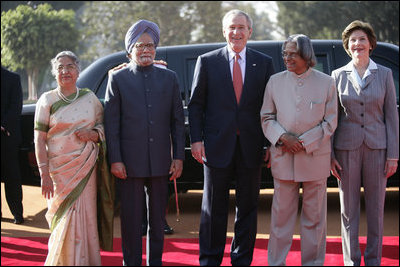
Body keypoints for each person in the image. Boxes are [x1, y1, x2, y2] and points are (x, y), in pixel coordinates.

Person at [188, 9, 274, 266]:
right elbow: (195, 105)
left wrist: (269, 142)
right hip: (216, 146)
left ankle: (241, 259)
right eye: (231, 28)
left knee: (247, 209)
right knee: (213, 209)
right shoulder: (207, 61)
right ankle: (210, 259)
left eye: (241, 27)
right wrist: (196, 140)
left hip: (251, 146)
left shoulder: (264, 62)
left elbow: (270, 107)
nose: (236, 32)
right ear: (224, 31)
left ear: (250, 32)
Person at [104, 20, 185, 266]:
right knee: (130, 221)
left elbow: (177, 122)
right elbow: (112, 125)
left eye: (150, 45)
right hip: (128, 164)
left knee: (157, 221)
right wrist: (115, 159)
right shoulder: (117, 80)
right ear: (130, 50)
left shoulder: (169, 78)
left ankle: (155, 262)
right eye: (140, 45)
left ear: (156, 48)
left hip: (162, 162)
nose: (146, 50)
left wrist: (178, 157)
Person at [260, 34, 337, 266]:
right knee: (280, 219)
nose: (287, 58)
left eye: (292, 53)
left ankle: (313, 262)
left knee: (315, 219)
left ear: (306, 54)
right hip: (284, 157)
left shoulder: (326, 82)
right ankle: (276, 262)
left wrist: (303, 142)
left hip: (315, 158)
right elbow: (266, 117)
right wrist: (283, 137)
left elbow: (331, 121)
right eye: (285, 53)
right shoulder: (274, 81)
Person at [34, 51, 114, 265]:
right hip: (59, 171)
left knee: (85, 216)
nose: (65, 71)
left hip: (86, 168)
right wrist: (44, 174)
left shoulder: (90, 99)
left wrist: (94, 135)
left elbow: (104, 127)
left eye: (69, 66)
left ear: (78, 70)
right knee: (63, 217)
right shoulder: (47, 100)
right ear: (54, 73)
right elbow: (39, 139)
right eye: (60, 67)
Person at [330, 20, 399, 266]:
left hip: (378, 150)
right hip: (346, 150)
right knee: (348, 211)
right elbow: (332, 118)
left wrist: (393, 155)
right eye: (352, 41)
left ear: (371, 44)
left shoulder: (385, 74)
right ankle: (351, 260)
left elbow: (391, 117)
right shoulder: (337, 76)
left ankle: (373, 260)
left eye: (362, 39)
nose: (357, 44)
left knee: (376, 210)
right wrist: (330, 155)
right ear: (348, 47)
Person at [1, 66, 24, 224]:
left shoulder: (13, 78)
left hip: (7, 136)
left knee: (12, 177)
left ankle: (17, 213)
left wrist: (3, 125)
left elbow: (16, 106)